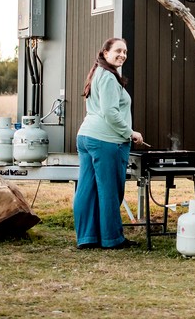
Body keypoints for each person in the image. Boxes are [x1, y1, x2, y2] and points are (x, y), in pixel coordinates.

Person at [73, 37, 144, 249]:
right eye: (118, 51)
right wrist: (130, 133)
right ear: (105, 53)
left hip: (86, 137)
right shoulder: (108, 78)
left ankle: (87, 237)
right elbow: (110, 113)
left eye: (125, 52)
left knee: (87, 189)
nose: (122, 55)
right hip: (105, 141)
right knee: (109, 190)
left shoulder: (98, 73)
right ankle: (112, 239)